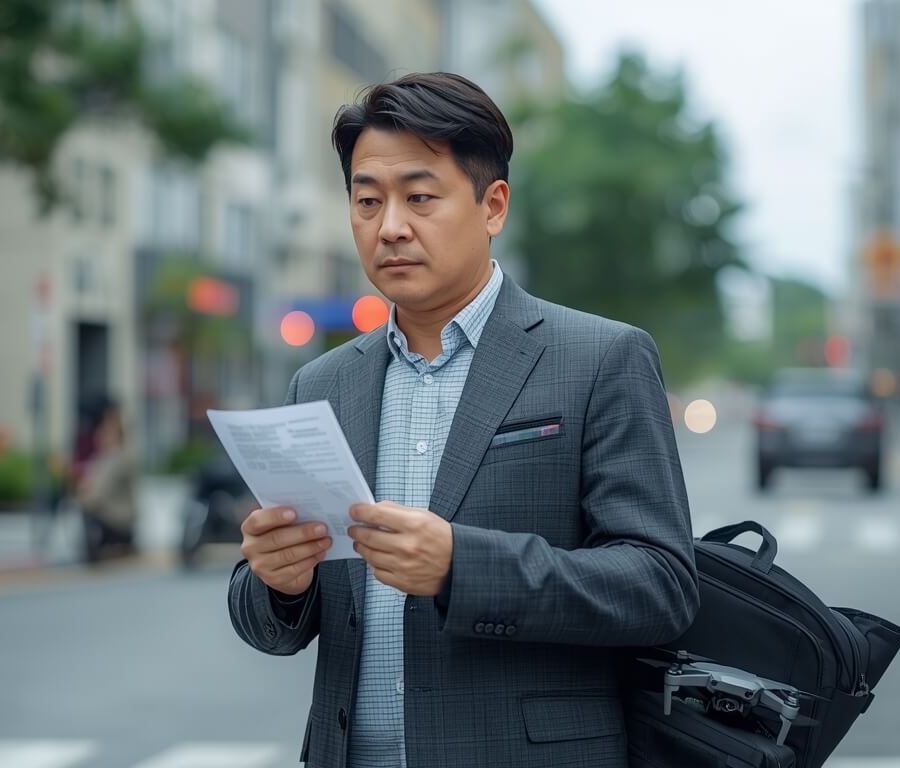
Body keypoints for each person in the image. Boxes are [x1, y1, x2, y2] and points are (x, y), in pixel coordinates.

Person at [227, 73, 698, 767]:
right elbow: (272, 627)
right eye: (366, 201)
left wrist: (461, 567)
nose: (389, 227)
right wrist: (275, 580)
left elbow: (660, 585)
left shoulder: (600, 358)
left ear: (493, 206)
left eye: (419, 197)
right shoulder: (320, 384)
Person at [75, 397, 139, 563]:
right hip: (116, 513)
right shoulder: (104, 457)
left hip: (119, 516)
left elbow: (99, 491)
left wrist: (83, 497)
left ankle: (94, 551)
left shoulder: (117, 458)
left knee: (87, 508)